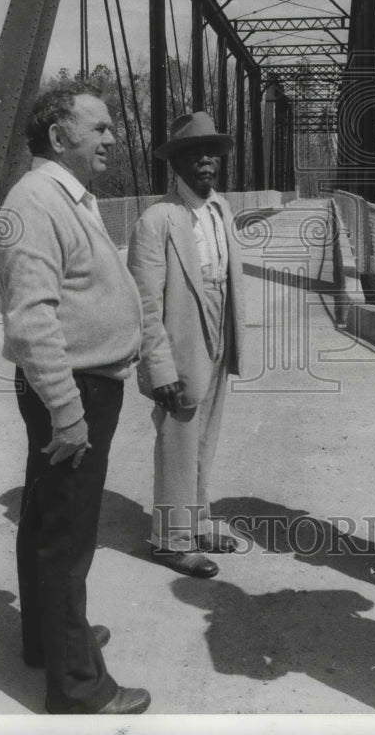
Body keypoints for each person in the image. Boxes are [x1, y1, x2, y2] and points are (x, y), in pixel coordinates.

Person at [0, 81, 151, 715]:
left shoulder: (63, 196)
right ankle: (80, 686)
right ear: (60, 139)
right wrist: (67, 411)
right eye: (101, 128)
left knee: (45, 523)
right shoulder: (37, 201)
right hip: (74, 389)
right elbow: (32, 319)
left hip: (82, 383)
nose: (114, 137)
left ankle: (50, 641)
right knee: (67, 535)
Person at [127, 111, 246, 580]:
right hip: (181, 333)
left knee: (206, 433)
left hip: (220, 329)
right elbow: (144, 304)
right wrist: (159, 369)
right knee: (179, 432)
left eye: (211, 155)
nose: (206, 164)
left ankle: (197, 522)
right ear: (176, 163)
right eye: (194, 155)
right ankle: (172, 540)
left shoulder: (221, 209)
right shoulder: (158, 219)